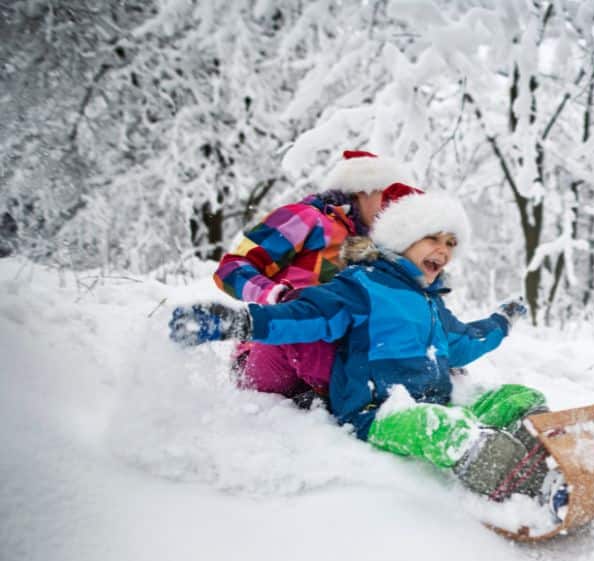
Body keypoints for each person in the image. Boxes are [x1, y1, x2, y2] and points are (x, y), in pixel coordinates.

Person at [171, 188, 556, 504]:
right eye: (433, 238)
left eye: (451, 242)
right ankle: (522, 491)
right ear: (404, 239)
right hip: (378, 412)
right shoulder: (361, 286)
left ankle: (551, 461)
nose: (444, 249)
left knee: (520, 397)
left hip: (436, 401)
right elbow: (303, 315)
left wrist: (501, 322)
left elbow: (463, 343)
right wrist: (239, 321)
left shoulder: (431, 303)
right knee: (440, 428)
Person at [213, 150, 419, 406]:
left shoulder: (380, 253)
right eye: (387, 197)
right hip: (273, 350)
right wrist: (275, 295)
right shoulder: (309, 219)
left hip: (333, 358)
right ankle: (363, 400)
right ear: (363, 189)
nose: (392, 207)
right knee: (308, 321)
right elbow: (231, 268)